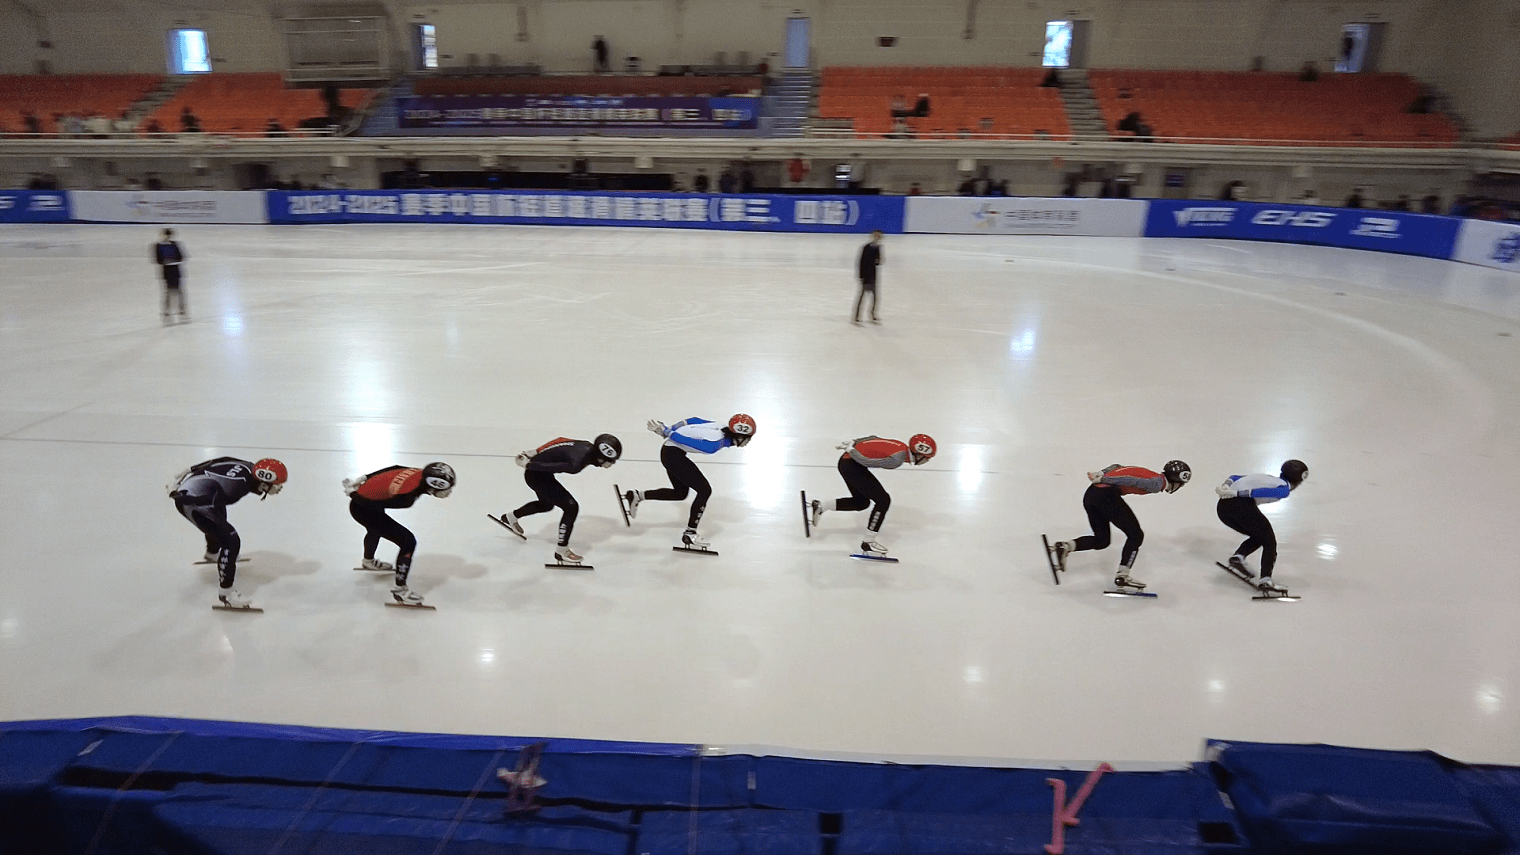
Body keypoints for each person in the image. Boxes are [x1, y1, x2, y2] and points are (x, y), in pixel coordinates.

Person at [1047, 461, 1192, 592]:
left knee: (1102, 540)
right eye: (1181, 484)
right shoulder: (1156, 483)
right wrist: (1104, 478)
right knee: (1136, 535)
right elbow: (1130, 480)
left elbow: (1117, 466)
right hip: (1106, 495)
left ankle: (1065, 547)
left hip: (1091, 494)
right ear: (1176, 480)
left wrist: (1102, 472)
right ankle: (1123, 576)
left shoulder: (1153, 475)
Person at [168, 456, 287, 608]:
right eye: (277, 484)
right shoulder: (237, 487)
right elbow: (201, 502)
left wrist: (190, 469)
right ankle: (226, 594)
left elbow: (225, 459)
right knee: (231, 541)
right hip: (192, 501)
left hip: (203, 491)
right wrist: (175, 494)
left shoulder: (249, 467)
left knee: (218, 517)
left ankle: (212, 553)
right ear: (264, 483)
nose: (280, 488)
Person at [624, 414, 756, 550]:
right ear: (739, 437)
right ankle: (690, 533)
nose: (749, 442)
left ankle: (636, 495)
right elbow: (688, 441)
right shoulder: (714, 445)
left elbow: (694, 420)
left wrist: (670, 428)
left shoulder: (721, 425)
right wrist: (667, 432)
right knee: (705, 490)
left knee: (680, 493)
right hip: (672, 454)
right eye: (748, 438)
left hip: (672, 451)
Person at [496, 435, 622, 566]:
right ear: (599, 457)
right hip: (536, 474)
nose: (610, 464)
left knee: (546, 505)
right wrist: (529, 464)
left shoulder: (587, 445)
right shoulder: (576, 464)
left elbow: (561, 440)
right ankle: (562, 550)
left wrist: (537, 451)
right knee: (571, 507)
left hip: (541, 475)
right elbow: (551, 467)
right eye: (609, 461)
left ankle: (511, 517)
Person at [809, 434, 937, 558]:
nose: (927, 460)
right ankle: (868, 542)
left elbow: (873, 437)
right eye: (927, 457)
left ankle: (821, 506)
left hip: (849, 463)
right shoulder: (897, 460)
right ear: (918, 453)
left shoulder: (902, 447)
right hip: (852, 464)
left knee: (861, 502)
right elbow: (866, 461)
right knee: (883, 501)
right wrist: (852, 449)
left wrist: (854, 441)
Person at [345, 462, 455, 606]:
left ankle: (368, 562)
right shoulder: (406, 498)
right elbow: (372, 505)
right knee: (408, 542)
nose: (449, 493)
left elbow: (395, 468)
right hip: (362, 507)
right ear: (432, 487)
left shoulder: (419, 472)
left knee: (375, 529)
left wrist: (365, 477)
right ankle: (400, 590)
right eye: (447, 489)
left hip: (367, 501)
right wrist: (353, 494)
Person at [1215, 460, 1307, 595]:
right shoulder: (1283, 488)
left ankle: (1238, 557)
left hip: (1223, 508)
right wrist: (1238, 494)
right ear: (1299, 481)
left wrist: (1226, 485)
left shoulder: (1269, 478)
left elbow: (1234, 477)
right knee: (1269, 541)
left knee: (1260, 536)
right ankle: (1265, 580)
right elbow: (1260, 492)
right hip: (1241, 505)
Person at [154, 228, 188, 323]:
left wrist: (173, 261)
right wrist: (167, 261)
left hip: (176, 270)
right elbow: (158, 259)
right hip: (167, 271)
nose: (168, 237)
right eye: (166, 235)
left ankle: (182, 312)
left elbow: (182, 256)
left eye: (169, 235)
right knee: (168, 292)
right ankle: (166, 313)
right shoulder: (158, 246)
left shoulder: (175, 245)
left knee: (179, 291)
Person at [854, 230, 884, 325]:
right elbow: (861, 262)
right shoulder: (866, 247)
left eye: (879, 236)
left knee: (875, 297)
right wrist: (861, 276)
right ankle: (857, 316)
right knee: (862, 297)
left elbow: (878, 262)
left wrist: (879, 259)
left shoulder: (878, 248)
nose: (877, 238)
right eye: (876, 236)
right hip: (866, 276)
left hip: (873, 276)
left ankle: (873, 315)